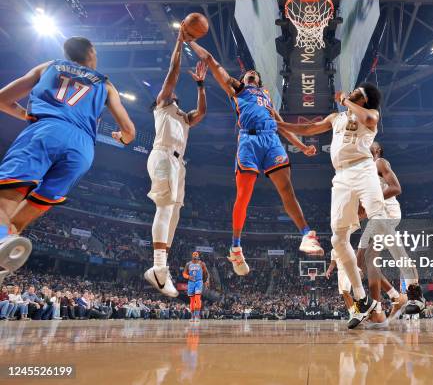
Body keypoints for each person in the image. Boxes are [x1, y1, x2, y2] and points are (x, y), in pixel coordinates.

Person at [0, 36, 136, 285]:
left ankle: (1, 238)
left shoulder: (48, 66)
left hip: (46, 131)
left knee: (4, 202)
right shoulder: (106, 85)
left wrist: (26, 115)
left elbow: (2, 98)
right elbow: (129, 131)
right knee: (21, 218)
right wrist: (122, 138)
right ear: (91, 53)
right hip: (82, 149)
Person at [185, 41, 324, 277]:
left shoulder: (267, 97)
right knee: (244, 195)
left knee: (287, 190)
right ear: (244, 78)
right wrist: (189, 40)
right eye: (249, 73)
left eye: (255, 74)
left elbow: (280, 124)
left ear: (259, 81)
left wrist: (301, 146)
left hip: (271, 140)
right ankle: (236, 247)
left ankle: (306, 235)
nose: (252, 74)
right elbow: (212, 60)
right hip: (248, 141)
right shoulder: (238, 90)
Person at [276, 84, 387, 329]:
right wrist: (282, 125)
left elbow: (368, 117)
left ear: (364, 98)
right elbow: (309, 128)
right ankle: (361, 298)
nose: (353, 90)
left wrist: (346, 100)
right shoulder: (335, 118)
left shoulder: (370, 115)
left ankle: (405, 286)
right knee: (338, 240)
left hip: (363, 168)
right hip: (341, 177)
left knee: (380, 219)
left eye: (358, 90)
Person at [144, 26, 208, 298]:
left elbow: (201, 112)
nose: (172, 93)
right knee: (165, 206)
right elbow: (173, 72)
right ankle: (158, 268)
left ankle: (161, 268)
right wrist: (180, 44)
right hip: (163, 154)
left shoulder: (183, 116)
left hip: (179, 164)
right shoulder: (163, 104)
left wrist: (201, 86)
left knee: (174, 214)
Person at [357, 141, 422, 326]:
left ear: (377, 150)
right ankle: (394, 298)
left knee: (387, 253)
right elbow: (364, 210)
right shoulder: (365, 173)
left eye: (369, 145)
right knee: (370, 260)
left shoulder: (380, 163)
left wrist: (371, 204)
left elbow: (396, 188)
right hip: (377, 215)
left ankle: (411, 293)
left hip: (389, 213)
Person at [182, 251, 209, 323]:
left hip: (199, 282)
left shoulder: (202, 263)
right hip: (191, 283)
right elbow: (184, 273)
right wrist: (188, 276)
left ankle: (197, 316)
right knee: (192, 300)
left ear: (198, 256)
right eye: (194, 254)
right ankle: (192, 316)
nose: (195, 255)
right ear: (192, 256)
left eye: (196, 254)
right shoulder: (188, 264)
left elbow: (206, 273)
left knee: (197, 298)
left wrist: (206, 281)